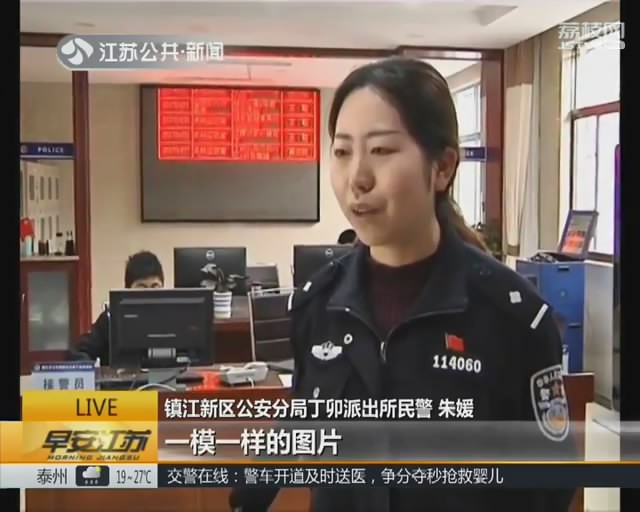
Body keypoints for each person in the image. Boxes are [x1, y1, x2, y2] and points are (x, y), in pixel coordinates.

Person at [230, 58, 575, 512]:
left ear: (443, 167)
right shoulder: (318, 304)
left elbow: (549, 480)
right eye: (342, 152)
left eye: (382, 150)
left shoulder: (513, 318)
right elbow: (306, 411)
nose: (357, 178)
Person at [67, 251, 164, 365]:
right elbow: (78, 352)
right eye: (141, 287)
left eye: (154, 287)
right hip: (120, 377)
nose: (148, 294)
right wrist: (92, 372)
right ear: (128, 289)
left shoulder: (173, 317)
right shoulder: (111, 318)